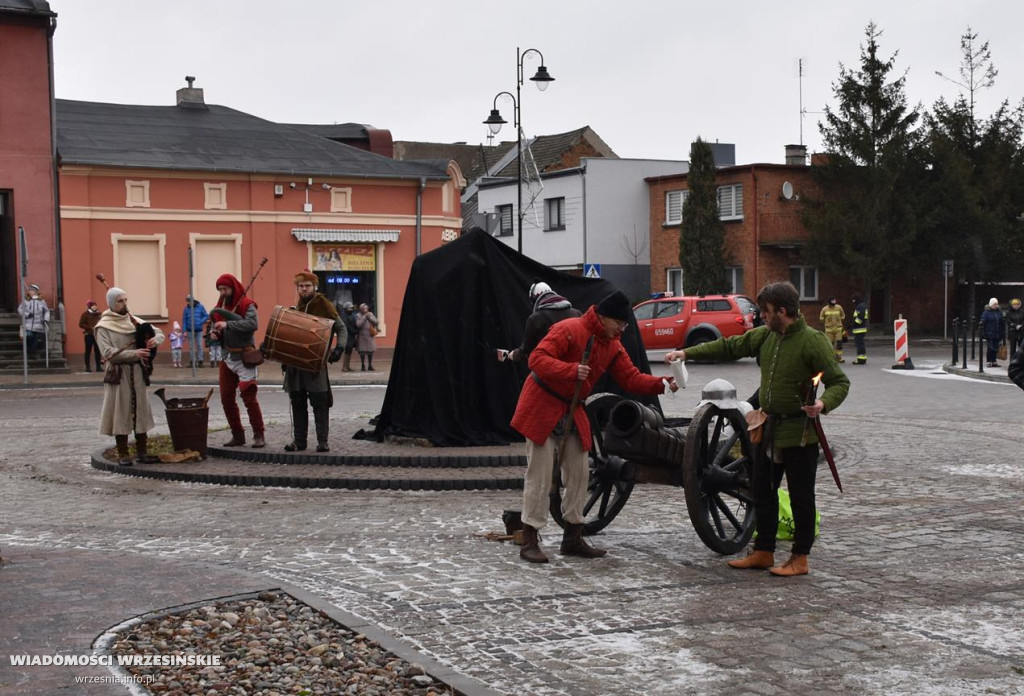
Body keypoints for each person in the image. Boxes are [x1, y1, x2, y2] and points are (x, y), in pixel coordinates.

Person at [666, 281, 849, 577]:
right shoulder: (766, 336)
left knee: (802, 496)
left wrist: (824, 404)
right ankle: (764, 551)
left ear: (783, 311)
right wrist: (686, 354)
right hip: (768, 429)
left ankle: (800, 557)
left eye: (765, 311)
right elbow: (729, 346)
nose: (761, 316)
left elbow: (840, 382)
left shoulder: (813, 341)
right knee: (762, 492)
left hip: (800, 434)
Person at [513, 290, 678, 564]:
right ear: (603, 317)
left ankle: (572, 537)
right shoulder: (568, 328)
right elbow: (536, 359)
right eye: (619, 324)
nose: (622, 329)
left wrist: (662, 383)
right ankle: (530, 537)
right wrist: (570, 370)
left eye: (624, 325)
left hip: (573, 407)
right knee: (540, 475)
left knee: (579, 473)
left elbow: (631, 378)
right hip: (542, 404)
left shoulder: (613, 343)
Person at [95, 287, 165, 466]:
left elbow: (159, 333)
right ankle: (123, 453)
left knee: (140, 411)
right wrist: (135, 354)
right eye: (120, 301)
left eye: (125, 300)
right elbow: (108, 353)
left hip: (137, 372)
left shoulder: (134, 321)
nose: (124, 304)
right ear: (111, 303)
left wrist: (153, 340)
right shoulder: (103, 327)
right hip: (118, 374)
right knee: (121, 411)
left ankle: (142, 452)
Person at [283, 271, 346, 452]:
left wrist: (339, 348)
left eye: (307, 286)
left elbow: (341, 329)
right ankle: (300, 441)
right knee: (298, 402)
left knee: (320, 402)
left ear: (314, 287)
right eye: (301, 286)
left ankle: (322, 441)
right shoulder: (295, 309)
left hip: (315, 363)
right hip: (296, 365)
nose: (304, 289)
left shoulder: (323, 304)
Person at [210, 274, 265, 448]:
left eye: (225, 289)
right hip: (227, 357)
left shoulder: (246, 305)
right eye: (219, 289)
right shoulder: (220, 306)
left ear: (233, 287)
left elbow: (252, 324)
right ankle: (238, 434)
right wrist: (215, 333)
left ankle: (259, 434)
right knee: (226, 398)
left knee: (249, 397)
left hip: (244, 356)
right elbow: (216, 327)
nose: (222, 292)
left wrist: (228, 325)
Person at [501, 281, 581, 366]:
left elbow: (526, 349)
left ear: (535, 298)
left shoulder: (536, 318)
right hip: (576, 369)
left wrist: (514, 355)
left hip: (551, 369)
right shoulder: (577, 313)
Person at [18, 283, 50, 359]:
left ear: (36, 292)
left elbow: (46, 311)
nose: (30, 291)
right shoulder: (26, 300)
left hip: (39, 324)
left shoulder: (41, 301)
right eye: (29, 290)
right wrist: (27, 314)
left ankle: (32, 352)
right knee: (29, 336)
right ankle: (30, 350)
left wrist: (46, 319)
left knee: (35, 338)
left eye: (32, 290)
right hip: (28, 324)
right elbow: (19, 309)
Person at [182, 295, 210, 367]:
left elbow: (206, 316)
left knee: (199, 345)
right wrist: (184, 331)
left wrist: (200, 321)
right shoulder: (186, 309)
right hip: (189, 330)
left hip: (199, 330)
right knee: (191, 346)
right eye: (187, 301)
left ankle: (200, 361)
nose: (188, 302)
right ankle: (192, 362)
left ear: (193, 300)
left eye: (189, 300)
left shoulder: (200, 307)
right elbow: (184, 321)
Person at [818, 297, 846, 363]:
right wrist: (826, 322)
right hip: (829, 329)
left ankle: (839, 357)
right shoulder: (824, 309)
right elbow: (821, 318)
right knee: (829, 344)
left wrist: (839, 321)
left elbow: (843, 316)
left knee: (839, 343)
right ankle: (830, 357)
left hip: (838, 328)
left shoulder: (839, 307)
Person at [980, 297, 1005, 368]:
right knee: (990, 348)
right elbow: (983, 323)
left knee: (996, 348)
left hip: (998, 333)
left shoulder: (999, 312)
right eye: (994, 304)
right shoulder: (986, 313)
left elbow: (1001, 322)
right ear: (991, 304)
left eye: (996, 304)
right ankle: (989, 361)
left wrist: (1002, 333)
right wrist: (984, 333)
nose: (995, 306)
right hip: (989, 332)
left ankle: (994, 361)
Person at [78, 299, 103, 372]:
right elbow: (81, 324)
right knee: (88, 351)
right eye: (93, 305)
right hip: (88, 335)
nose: (95, 307)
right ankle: (88, 367)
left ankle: (98, 367)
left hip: (97, 335)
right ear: (89, 307)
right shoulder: (85, 314)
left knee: (98, 351)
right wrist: (89, 328)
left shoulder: (99, 314)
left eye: (95, 305)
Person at [354, 303, 379, 371]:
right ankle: (363, 365)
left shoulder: (370, 314)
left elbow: (376, 322)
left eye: (366, 309)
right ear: (361, 309)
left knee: (370, 351)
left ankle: (370, 365)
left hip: (370, 336)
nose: (365, 310)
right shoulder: (357, 315)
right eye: (364, 309)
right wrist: (365, 317)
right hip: (362, 336)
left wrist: (370, 318)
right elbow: (358, 325)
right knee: (362, 352)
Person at [339, 301, 358, 372]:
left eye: (352, 308)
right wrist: (354, 331)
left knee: (349, 351)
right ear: (346, 308)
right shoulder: (344, 315)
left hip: (352, 336)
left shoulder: (352, 314)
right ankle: (344, 367)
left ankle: (348, 366)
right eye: (350, 308)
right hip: (347, 335)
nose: (351, 309)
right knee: (347, 351)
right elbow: (346, 325)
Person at [850, 293, 869, 365]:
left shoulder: (860, 307)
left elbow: (860, 317)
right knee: (860, 344)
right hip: (859, 328)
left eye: (854, 300)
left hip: (859, 329)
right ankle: (861, 358)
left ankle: (861, 359)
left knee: (859, 344)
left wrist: (854, 324)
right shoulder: (861, 306)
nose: (853, 302)